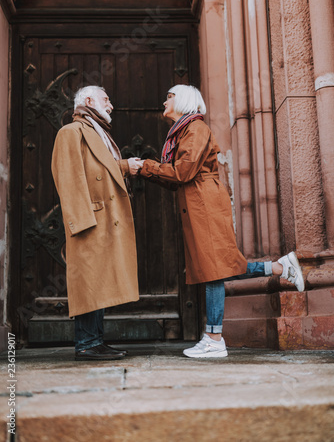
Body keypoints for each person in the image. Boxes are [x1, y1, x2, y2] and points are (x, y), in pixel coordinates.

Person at [139, 84, 305, 359]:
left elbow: (182, 172)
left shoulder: (195, 129)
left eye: (169, 96)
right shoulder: (184, 131)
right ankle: (280, 267)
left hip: (204, 205)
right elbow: (175, 179)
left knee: (212, 270)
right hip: (198, 203)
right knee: (217, 266)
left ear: (183, 101)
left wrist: (144, 166)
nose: (164, 101)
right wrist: (145, 171)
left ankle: (214, 338)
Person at [51, 85, 142, 361]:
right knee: (90, 281)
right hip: (89, 219)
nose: (111, 105)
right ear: (88, 100)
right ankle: (87, 343)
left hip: (102, 218)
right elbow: (68, 178)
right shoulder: (71, 132)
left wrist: (124, 166)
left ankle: (95, 341)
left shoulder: (95, 132)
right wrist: (80, 222)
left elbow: (100, 168)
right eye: (106, 99)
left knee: (99, 282)